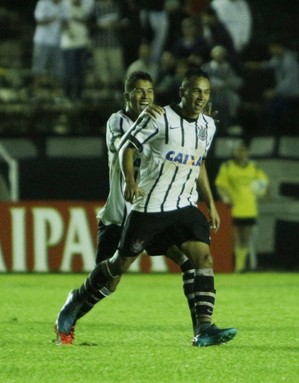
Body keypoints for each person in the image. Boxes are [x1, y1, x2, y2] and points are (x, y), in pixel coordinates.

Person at [55, 68, 237, 347]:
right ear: (127, 94)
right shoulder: (119, 121)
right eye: (139, 91)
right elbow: (125, 146)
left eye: (150, 91)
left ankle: (203, 328)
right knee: (111, 279)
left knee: (193, 259)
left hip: (165, 207)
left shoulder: (165, 121)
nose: (145, 96)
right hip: (122, 212)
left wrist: (193, 131)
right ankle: (71, 309)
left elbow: (193, 157)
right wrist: (150, 125)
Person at [215, 140, 269, 272]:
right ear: (234, 152)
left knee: (245, 238)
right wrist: (225, 197)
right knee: (234, 238)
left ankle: (240, 266)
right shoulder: (227, 167)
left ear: (248, 152)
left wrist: (263, 193)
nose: (241, 153)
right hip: (232, 209)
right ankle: (230, 265)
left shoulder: (254, 168)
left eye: (243, 150)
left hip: (250, 208)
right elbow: (220, 185)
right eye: (238, 150)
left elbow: (264, 184)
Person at [244, 35, 299, 137]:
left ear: (279, 47)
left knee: (273, 107)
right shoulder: (279, 58)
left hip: (293, 95)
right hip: (284, 94)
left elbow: (289, 82)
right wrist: (256, 65)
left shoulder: (290, 61)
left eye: (272, 48)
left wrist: (275, 91)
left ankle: (277, 135)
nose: (270, 51)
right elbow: (270, 64)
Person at [202, 45, 243, 133]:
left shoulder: (228, 67)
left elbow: (235, 80)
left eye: (221, 54)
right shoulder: (207, 68)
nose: (219, 56)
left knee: (233, 98)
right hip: (211, 93)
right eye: (217, 54)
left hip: (225, 92)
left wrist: (226, 84)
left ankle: (231, 119)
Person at [60, 0, 93, 102]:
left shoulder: (85, 7)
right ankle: (67, 95)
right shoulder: (65, 6)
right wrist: (68, 31)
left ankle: (78, 95)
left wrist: (77, 19)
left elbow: (88, 21)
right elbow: (63, 22)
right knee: (69, 71)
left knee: (80, 71)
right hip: (69, 44)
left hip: (82, 43)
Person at [31, 0, 64, 98]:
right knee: (38, 68)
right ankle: (36, 93)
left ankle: (56, 94)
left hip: (58, 42)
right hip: (42, 41)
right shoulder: (43, 3)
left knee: (58, 70)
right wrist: (52, 19)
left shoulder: (64, 4)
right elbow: (38, 21)